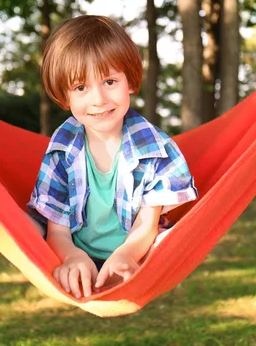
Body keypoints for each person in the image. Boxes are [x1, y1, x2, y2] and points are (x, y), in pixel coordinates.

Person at [27, 15, 197, 299]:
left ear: (129, 81)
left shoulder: (153, 148)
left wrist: (126, 255)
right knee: (26, 225)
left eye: (109, 81)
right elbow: (57, 229)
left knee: (174, 239)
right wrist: (71, 257)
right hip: (77, 249)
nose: (99, 99)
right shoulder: (63, 147)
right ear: (64, 96)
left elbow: (147, 224)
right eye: (81, 87)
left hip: (137, 251)